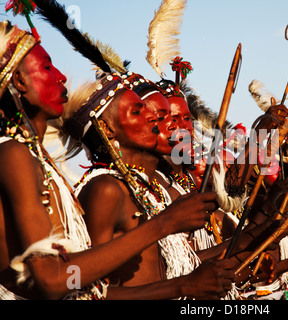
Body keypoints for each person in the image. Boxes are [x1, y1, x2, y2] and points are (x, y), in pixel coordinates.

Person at [0, 20, 221, 300]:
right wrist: (164, 224)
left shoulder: (35, 159)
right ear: (19, 81)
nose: (61, 77)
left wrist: (183, 286)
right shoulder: (13, 153)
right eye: (47, 67)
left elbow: (91, 290)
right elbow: (54, 279)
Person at [56, 72, 236, 299]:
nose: (153, 118)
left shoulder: (149, 191)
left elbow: (179, 266)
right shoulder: (105, 188)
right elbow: (75, 283)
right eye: (138, 111)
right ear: (107, 128)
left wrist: (251, 238)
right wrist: (183, 286)